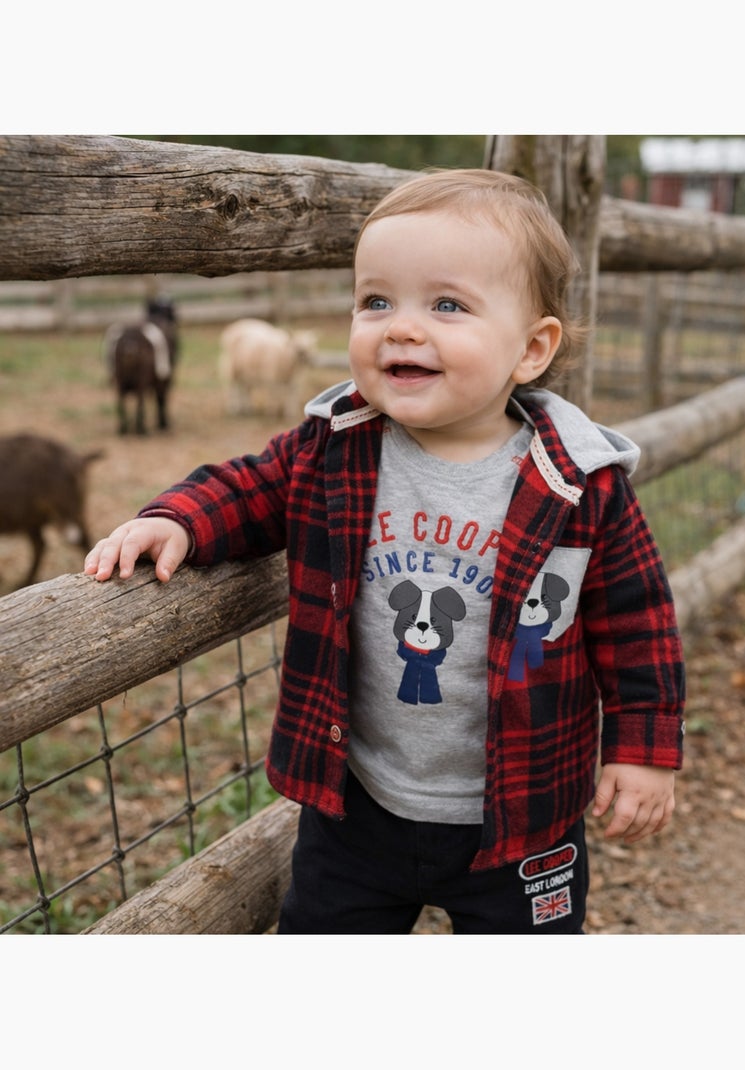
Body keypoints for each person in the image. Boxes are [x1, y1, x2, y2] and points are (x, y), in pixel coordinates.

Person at [84, 168, 685, 934]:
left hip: (523, 812)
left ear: (531, 348)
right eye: (376, 301)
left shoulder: (578, 484)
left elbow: (639, 627)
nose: (401, 327)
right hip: (358, 802)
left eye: (447, 305)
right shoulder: (336, 444)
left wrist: (644, 749)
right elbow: (248, 487)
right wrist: (178, 520)